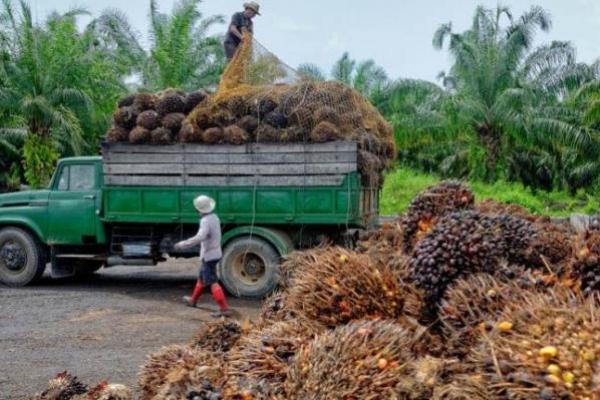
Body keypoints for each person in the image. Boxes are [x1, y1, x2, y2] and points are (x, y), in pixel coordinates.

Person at [175, 195, 230, 318]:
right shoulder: (214, 217)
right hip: (215, 253)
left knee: (212, 282)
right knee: (202, 278)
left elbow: (200, 237)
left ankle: (224, 309)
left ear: (199, 210)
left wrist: (182, 244)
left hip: (209, 255)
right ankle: (193, 300)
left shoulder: (205, 221)